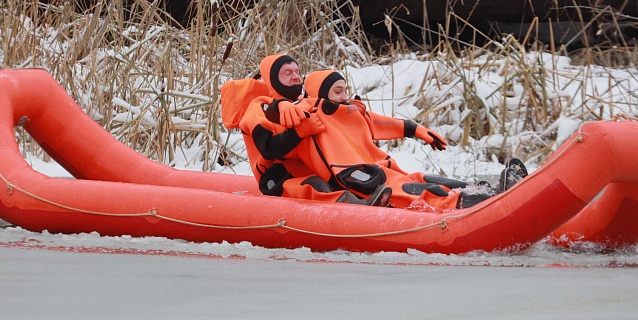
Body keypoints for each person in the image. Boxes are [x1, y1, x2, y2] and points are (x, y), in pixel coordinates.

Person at [286, 70, 527, 210]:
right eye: (338, 91)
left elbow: (379, 122)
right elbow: (268, 116)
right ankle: (491, 205)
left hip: (385, 171)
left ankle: (494, 190)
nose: (345, 96)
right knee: (429, 191)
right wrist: (281, 106)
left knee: (429, 179)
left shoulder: (350, 111)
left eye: (345, 90)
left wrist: (416, 130)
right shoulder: (305, 112)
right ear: (318, 92)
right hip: (362, 182)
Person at [220, 54, 391, 206]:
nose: (296, 77)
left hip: (312, 168)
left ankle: (369, 199)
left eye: (297, 72)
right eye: (288, 74)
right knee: (315, 184)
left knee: (338, 177)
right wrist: (298, 133)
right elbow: (268, 149)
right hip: (278, 178)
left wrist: (347, 111)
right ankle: (358, 210)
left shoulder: (304, 102)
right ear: (272, 79)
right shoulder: (258, 108)